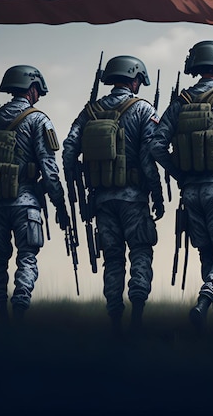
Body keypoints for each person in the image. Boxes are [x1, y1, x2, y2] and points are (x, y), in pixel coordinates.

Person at [150, 41, 213, 335]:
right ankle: (207, 298)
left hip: (190, 192)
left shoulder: (179, 103)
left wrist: (180, 173)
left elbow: (157, 145)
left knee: (207, 252)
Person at [63, 55, 164, 336]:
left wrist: (76, 187)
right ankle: (137, 316)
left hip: (101, 199)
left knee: (113, 258)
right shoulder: (143, 109)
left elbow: (69, 148)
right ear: (134, 79)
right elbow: (148, 158)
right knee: (141, 251)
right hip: (134, 198)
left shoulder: (90, 111)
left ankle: (115, 320)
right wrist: (157, 194)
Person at [0, 65, 69, 325]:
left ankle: (0, 308)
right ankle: (20, 307)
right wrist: (60, 206)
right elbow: (49, 169)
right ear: (32, 88)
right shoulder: (38, 119)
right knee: (27, 257)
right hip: (26, 203)